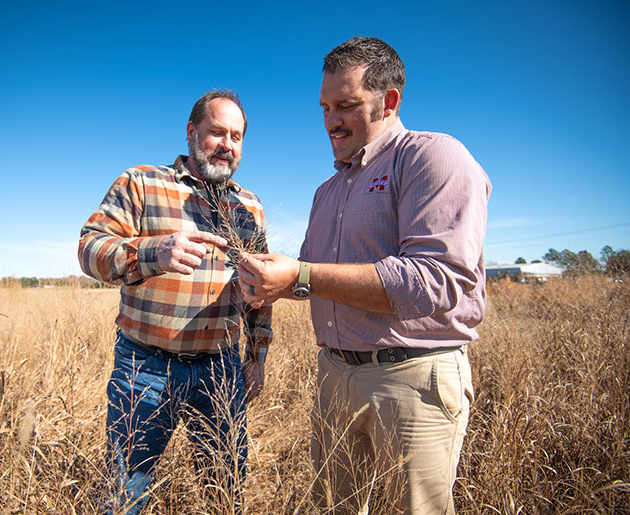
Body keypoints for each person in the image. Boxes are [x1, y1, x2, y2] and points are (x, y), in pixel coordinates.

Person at [238, 37, 491, 514]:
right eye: (326, 107)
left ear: (389, 101)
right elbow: (309, 277)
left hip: (412, 377)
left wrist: (301, 274)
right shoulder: (327, 190)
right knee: (336, 505)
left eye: (347, 105)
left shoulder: (432, 158)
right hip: (334, 373)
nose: (331, 121)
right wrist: (271, 276)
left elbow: (434, 281)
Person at [79, 90, 272, 514]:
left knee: (225, 491)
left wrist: (256, 355)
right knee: (124, 491)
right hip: (145, 366)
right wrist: (154, 252)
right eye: (216, 132)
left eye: (236, 137)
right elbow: (89, 249)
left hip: (221, 370)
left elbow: (261, 290)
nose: (227, 145)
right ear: (191, 131)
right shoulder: (141, 183)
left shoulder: (251, 208)